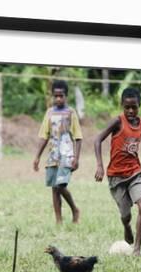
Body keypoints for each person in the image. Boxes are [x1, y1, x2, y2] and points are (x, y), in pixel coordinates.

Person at [94, 87, 141, 256]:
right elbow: (97, 139)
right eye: (127, 107)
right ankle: (126, 226)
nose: (130, 111)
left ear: (139, 106)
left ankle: (137, 249)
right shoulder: (118, 122)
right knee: (125, 215)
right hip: (116, 176)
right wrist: (99, 165)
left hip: (135, 172)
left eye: (134, 107)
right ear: (122, 105)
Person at [33, 80, 82, 224]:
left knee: (60, 185)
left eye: (61, 96)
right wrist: (37, 156)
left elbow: (78, 137)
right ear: (53, 97)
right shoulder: (49, 112)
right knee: (54, 188)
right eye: (56, 96)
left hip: (67, 155)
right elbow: (44, 136)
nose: (58, 99)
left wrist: (76, 158)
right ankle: (58, 220)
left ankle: (74, 209)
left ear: (66, 96)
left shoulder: (71, 113)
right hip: (53, 154)